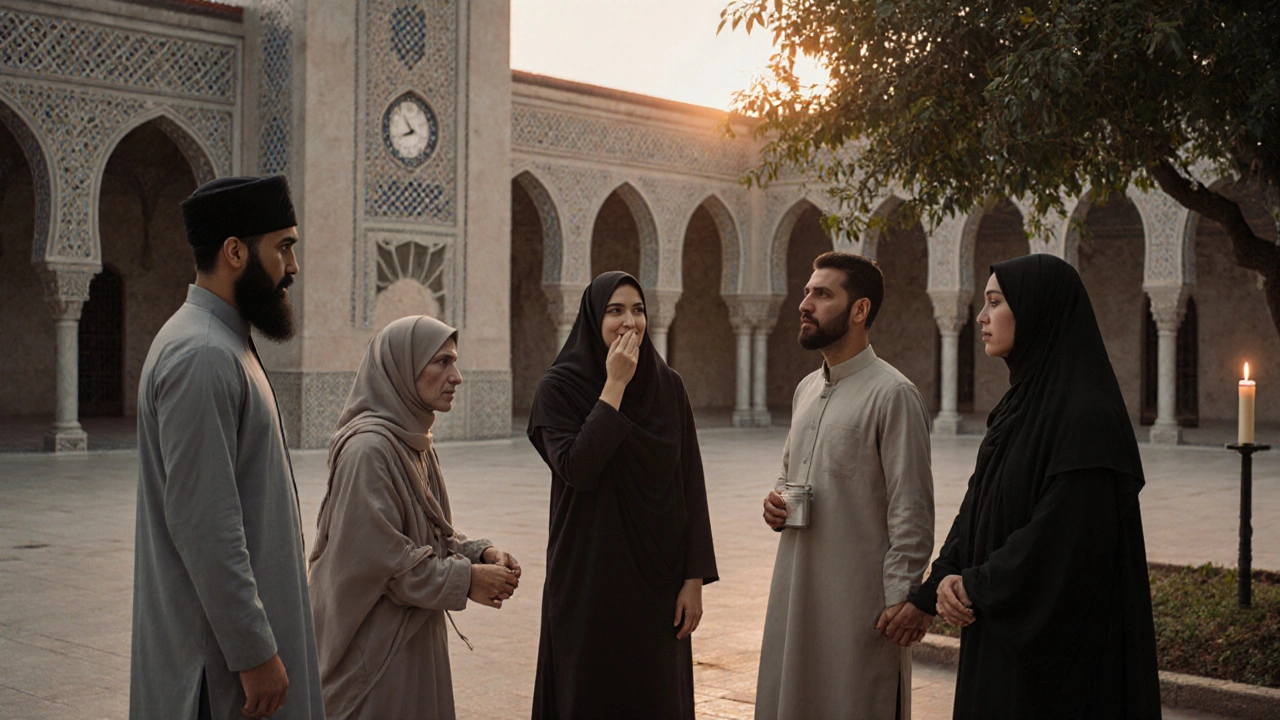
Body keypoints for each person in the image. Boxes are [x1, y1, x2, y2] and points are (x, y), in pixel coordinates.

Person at [908, 254, 1162, 719]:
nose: (981, 317)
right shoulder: (1019, 404)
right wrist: (939, 584)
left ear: (1036, 310)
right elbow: (977, 505)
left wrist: (975, 585)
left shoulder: (1088, 416)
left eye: (995, 302)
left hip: (1059, 655)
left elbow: (1062, 536)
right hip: (1000, 628)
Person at [130, 175, 324, 720]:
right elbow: (205, 524)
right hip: (216, 673)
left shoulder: (222, 342)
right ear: (236, 251)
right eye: (283, 246)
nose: (293, 265)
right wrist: (253, 651)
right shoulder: (203, 354)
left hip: (231, 659)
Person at [308, 315, 521, 720]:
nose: (456, 376)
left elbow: (430, 532)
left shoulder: (413, 441)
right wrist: (467, 580)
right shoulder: (368, 451)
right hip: (372, 656)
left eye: (454, 362)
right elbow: (384, 562)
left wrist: (480, 554)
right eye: (441, 362)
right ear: (402, 370)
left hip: (410, 640)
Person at [527, 271, 719, 720]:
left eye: (638, 309)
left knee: (654, 697)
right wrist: (613, 385)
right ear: (593, 318)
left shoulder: (667, 386)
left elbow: (690, 482)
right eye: (614, 310)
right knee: (589, 694)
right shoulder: (559, 389)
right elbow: (577, 467)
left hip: (659, 580)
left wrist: (694, 578)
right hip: (588, 575)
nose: (629, 321)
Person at [756, 251, 935, 720]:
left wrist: (902, 599)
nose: (804, 303)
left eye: (821, 294)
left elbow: (910, 508)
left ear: (860, 311)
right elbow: (790, 473)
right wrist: (776, 501)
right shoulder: (806, 389)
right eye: (806, 292)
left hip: (861, 610)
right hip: (798, 596)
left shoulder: (893, 394)